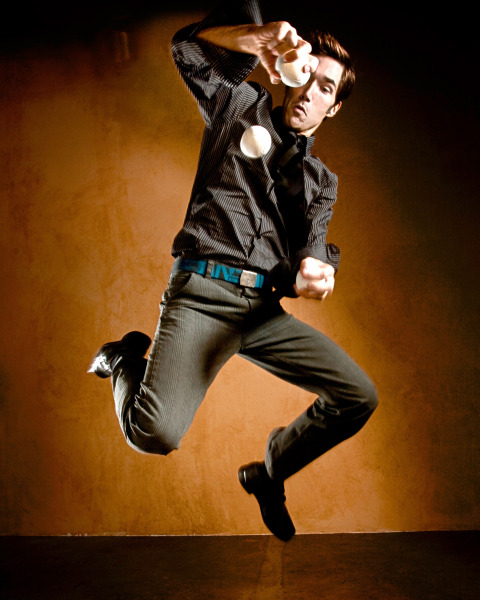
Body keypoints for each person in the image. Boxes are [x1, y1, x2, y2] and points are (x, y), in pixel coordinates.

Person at [89, 0, 378, 542]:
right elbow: (187, 48)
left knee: (358, 395)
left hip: (261, 313)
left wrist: (317, 273)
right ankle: (126, 359)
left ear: (333, 107)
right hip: (201, 294)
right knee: (154, 434)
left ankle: (271, 470)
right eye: (307, 75)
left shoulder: (321, 183)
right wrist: (253, 37)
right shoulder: (238, 105)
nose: (311, 91)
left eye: (326, 87)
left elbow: (312, 253)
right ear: (289, 75)